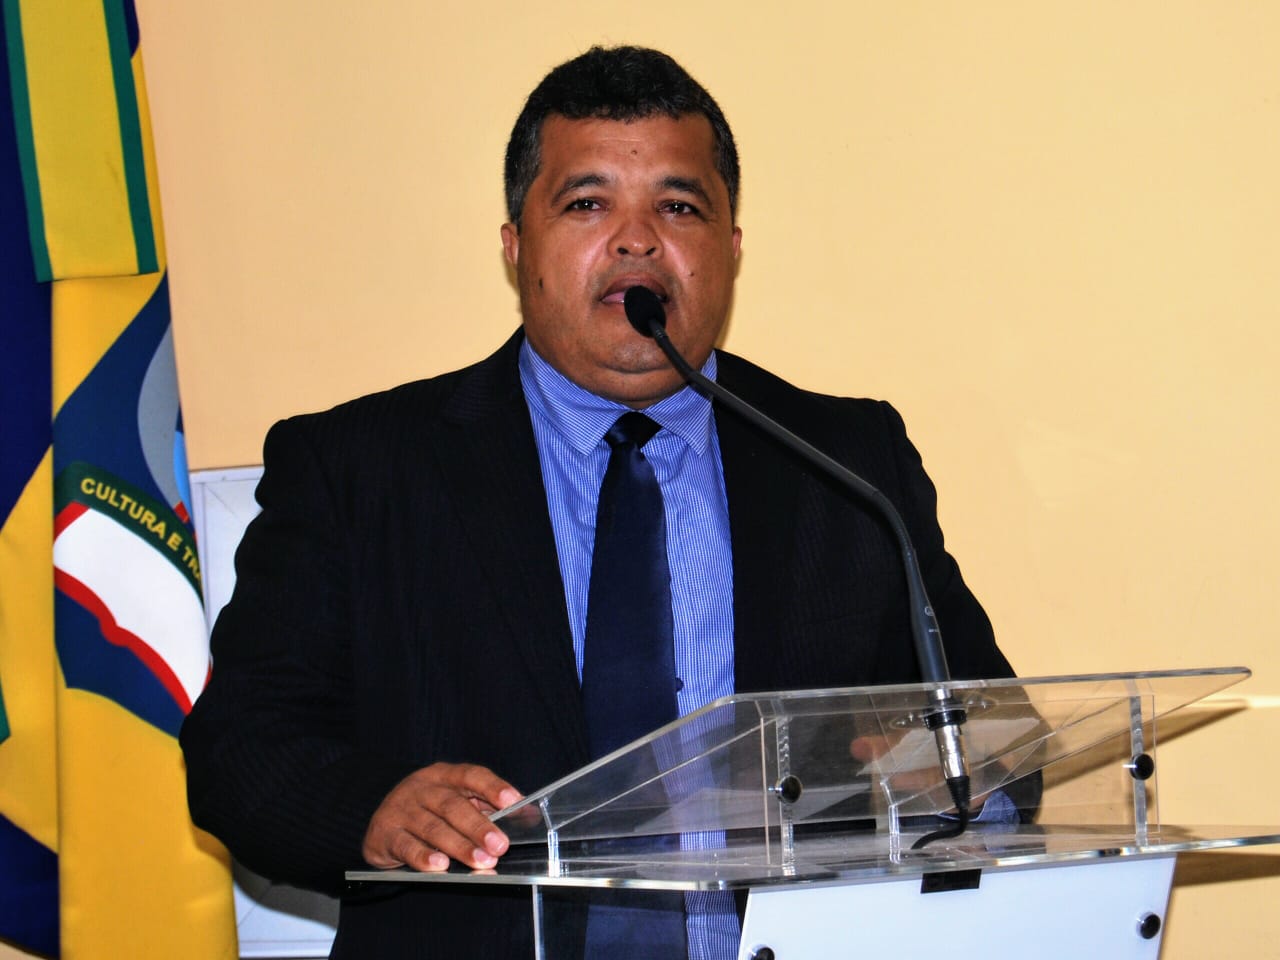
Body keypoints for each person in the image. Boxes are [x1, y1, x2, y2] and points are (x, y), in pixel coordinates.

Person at [181, 45, 1027, 960]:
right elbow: (240, 751)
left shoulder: (846, 463)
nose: (636, 241)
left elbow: (998, 735)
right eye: (587, 204)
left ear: (731, 248)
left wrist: (951, 778)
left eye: (679, 207)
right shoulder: (361, 468)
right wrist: (375, 809)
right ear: (516, 244)